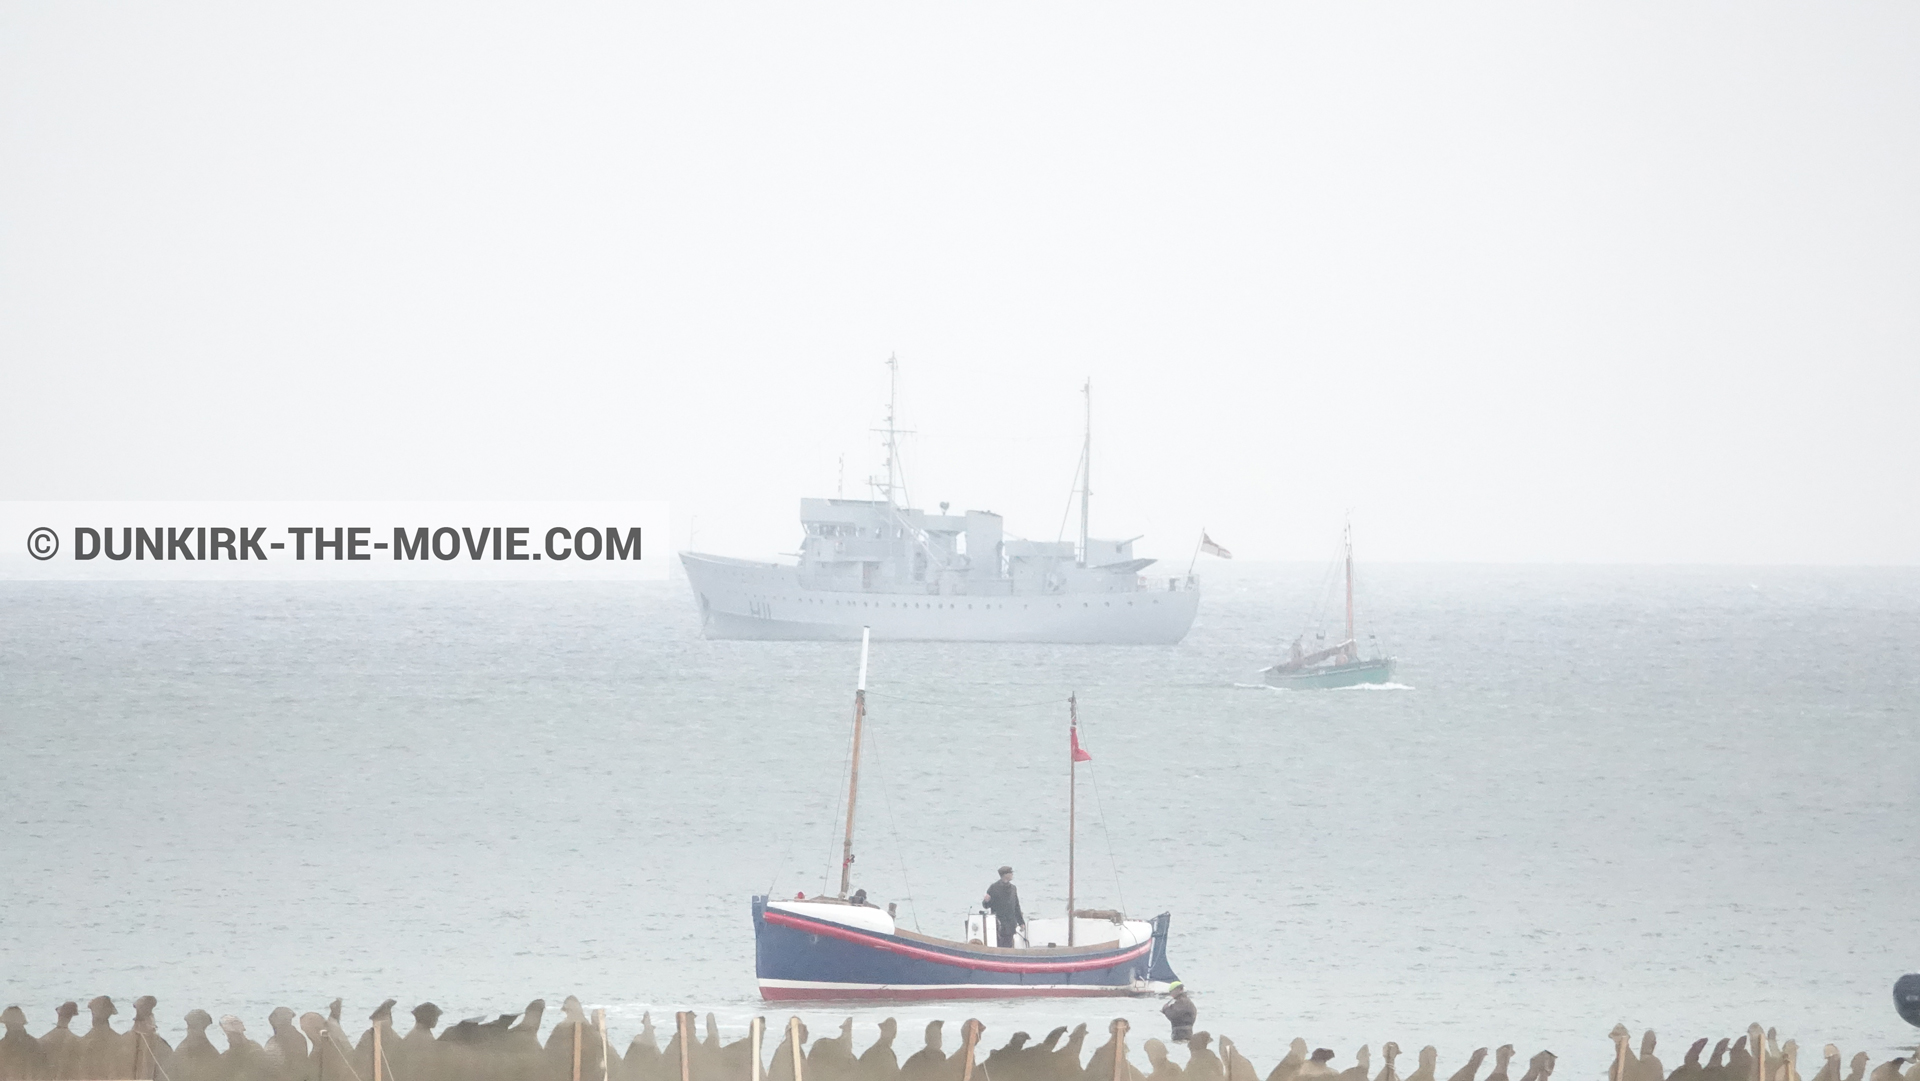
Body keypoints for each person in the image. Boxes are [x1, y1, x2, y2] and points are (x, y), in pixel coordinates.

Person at [981, 866, 1024, 948]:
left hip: (1011, 922)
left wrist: (1021, 922)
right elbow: (986, 906)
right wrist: (986, 901)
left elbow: (1016, 907)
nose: (1012, 874)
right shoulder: (994, 888)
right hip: (999, 923)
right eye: (1010, 873)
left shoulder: (1013, 888)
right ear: (1005, 875)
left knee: (1009, 944)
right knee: (999, 944)